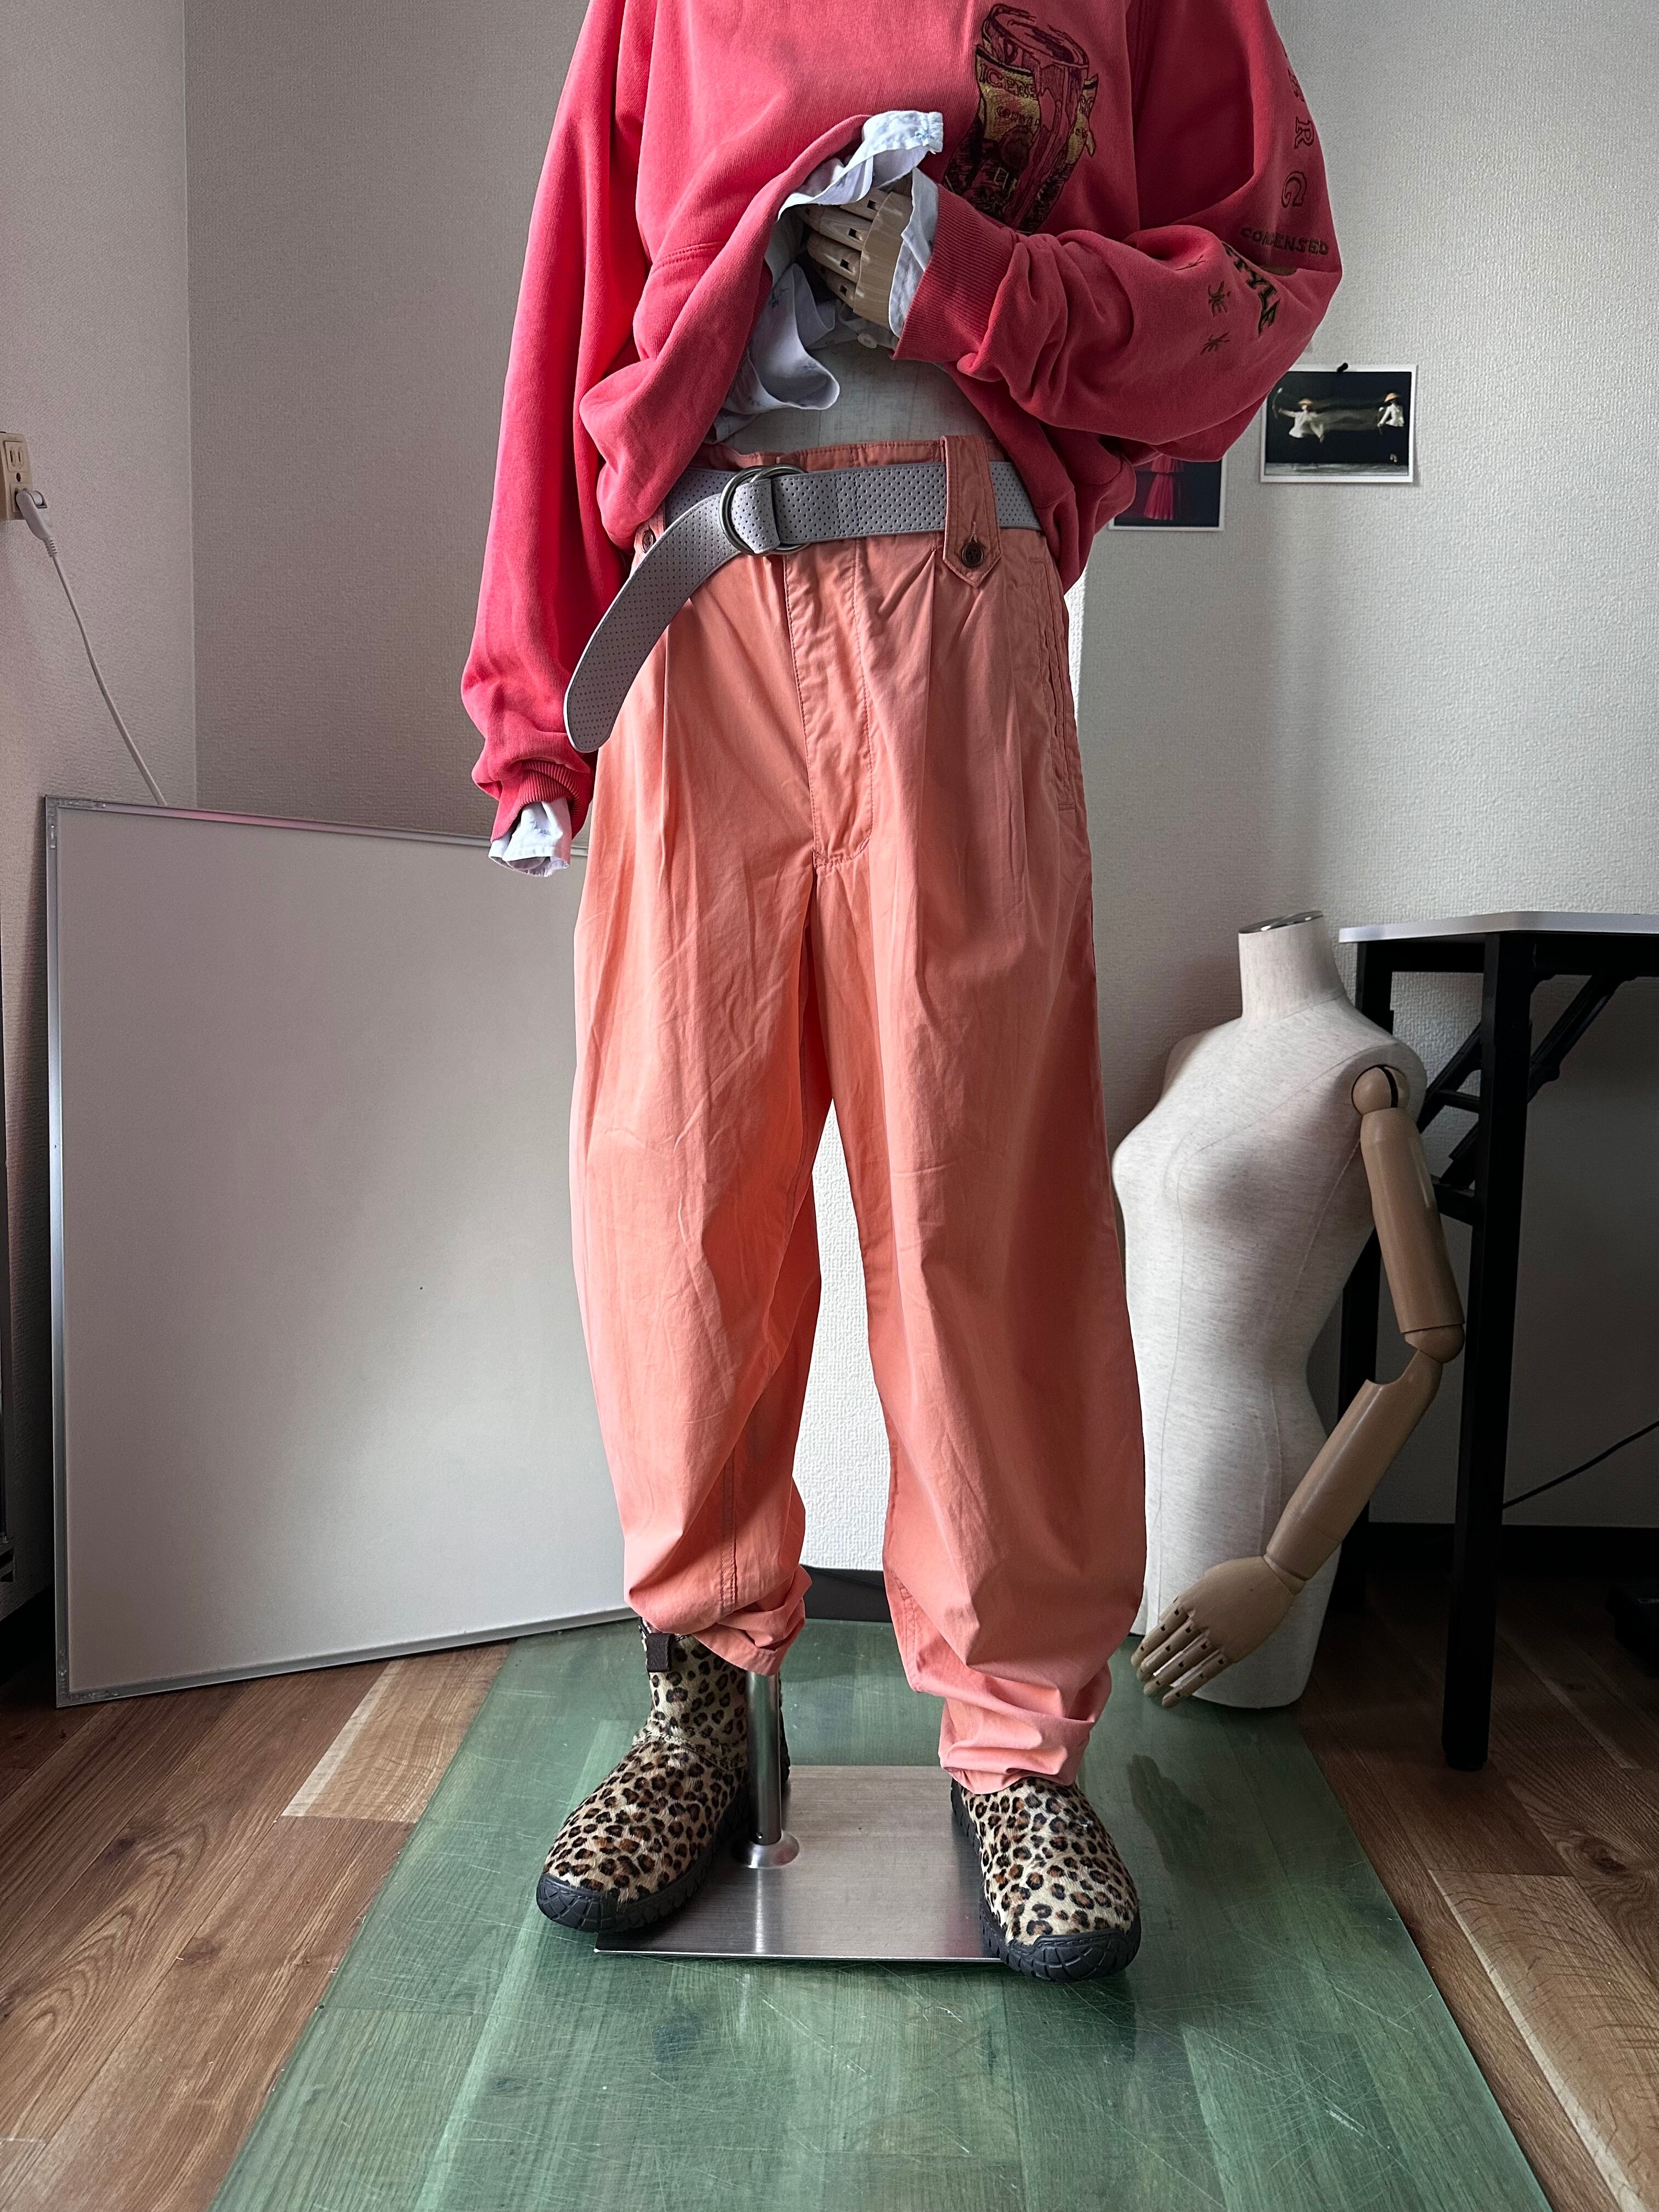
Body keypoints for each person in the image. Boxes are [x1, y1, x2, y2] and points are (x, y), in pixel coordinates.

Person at [462, 0, 1340, 1981]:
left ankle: (1016, 1752)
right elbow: (574, 300)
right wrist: (529, 703)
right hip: (693, 616)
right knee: (674, 1188)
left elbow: (1267, 277)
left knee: (980, 1206)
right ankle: (700, 1696)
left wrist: (978, 284)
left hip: (958, 604)